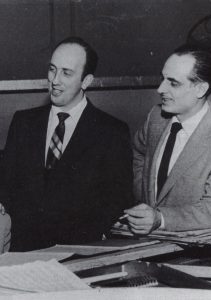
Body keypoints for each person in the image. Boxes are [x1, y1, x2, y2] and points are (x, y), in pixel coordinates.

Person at [0, 36, 133, 251]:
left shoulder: (112, 132)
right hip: (22, 252)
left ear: (86, 81)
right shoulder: (23, 122)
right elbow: (6, 184)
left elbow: (117, 200)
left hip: (78, 254)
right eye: (52, 69)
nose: (55, 80)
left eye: (66, 73)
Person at [124, 42, 211, 235]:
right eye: (162, 79)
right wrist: (143, 193)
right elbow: (137, 152)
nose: (160, 89)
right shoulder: (156, 117)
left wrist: (160, 218)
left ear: (200, 89)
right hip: (144, 244)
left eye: (173, 82)